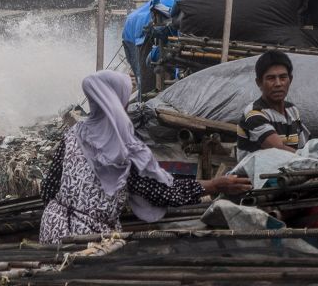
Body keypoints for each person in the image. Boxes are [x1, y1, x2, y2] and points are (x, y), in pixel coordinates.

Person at [39, 70, 251, 244]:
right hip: (88, 240)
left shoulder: (74, 134)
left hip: (52, 228)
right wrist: (214, 185)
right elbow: (161, 192)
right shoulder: (123, 147)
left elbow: (49, 189)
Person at [236, 51, 310, 161]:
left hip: (287, 171)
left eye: (283, 77)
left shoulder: (292, 110)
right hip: (254, 176)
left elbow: (304, 147)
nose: (278, 84)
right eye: (271, 78)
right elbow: (277, 149)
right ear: (259, 83)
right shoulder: (254, 113)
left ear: (290, 80)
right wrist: (313, 159)